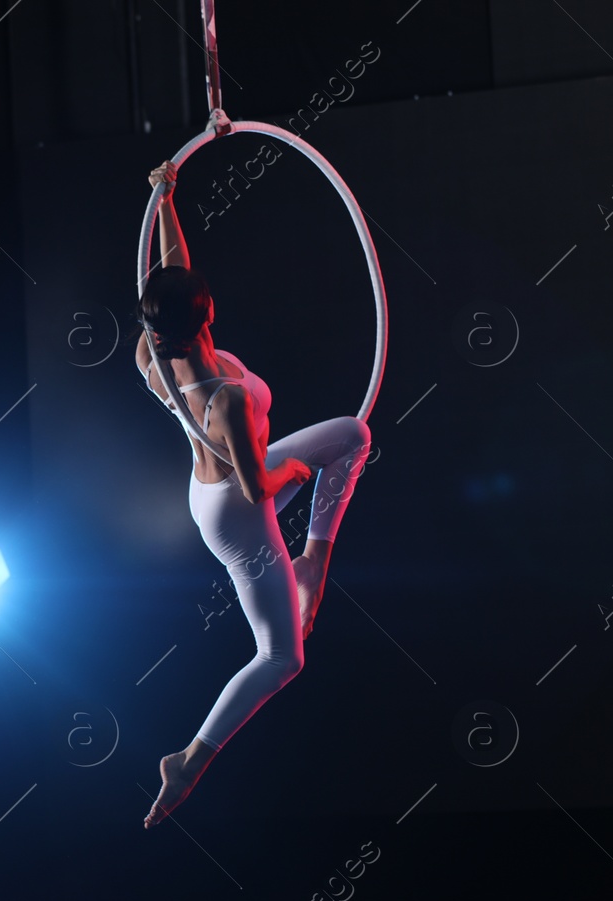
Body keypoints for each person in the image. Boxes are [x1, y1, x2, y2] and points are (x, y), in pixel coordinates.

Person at [138, 159, 372, 828]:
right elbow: (255, 482)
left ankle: (314, 563)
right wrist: (294, 477)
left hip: (212, 487)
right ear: (207, 311)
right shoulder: (227, 399)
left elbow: (169, 273)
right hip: (240, 513)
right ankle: (188, 760)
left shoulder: (152, 354)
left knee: (351, 435)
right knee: (283, 656)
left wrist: (165, 194)